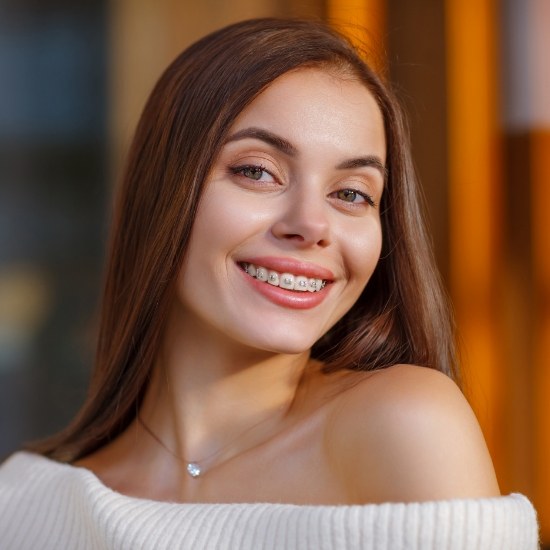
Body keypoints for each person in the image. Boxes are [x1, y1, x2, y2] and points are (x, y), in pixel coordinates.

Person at [0, 17, 538, 549]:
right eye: (257, 171)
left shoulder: (404, 423)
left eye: (351, 193)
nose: (311, 226)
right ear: (161, 192)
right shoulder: (22, 502)